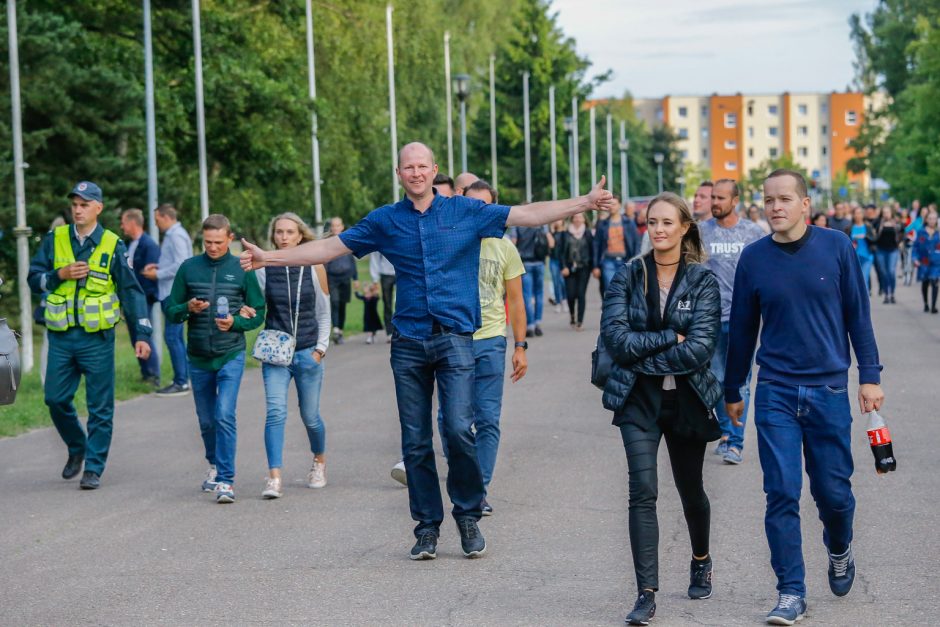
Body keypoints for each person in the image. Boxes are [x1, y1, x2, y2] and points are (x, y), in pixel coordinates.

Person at [239, 141, 617, 560]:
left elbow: (527, 215)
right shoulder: (386, 220)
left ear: (434, 169)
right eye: (408, 167)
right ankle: (426, 528)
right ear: (399, 173)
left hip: (456, 338)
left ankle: (468, 514)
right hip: (409, 343)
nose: (416, 173)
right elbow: (330, 248)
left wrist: (583, 201)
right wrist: (269, 257)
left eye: (422, 166)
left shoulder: (465, 211)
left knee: (458, 429)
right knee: (416, 441)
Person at [724, 169, 884, 625]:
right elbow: (742, 329)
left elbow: (858, 314)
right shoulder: (754, 258)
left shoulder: (836, 247)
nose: (775, 207)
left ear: (804, 204)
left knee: (833, 493)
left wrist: (869, 375)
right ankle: (791, 591)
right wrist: (734, 388)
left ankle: (839, 548)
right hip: (774, 390)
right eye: (768, 199)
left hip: (828, 389)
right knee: (780, 492)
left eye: (784, 199)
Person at [601, 192, 722, 626]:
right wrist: (671, 337)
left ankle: (701, 557)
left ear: (685, 226)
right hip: (637, 398)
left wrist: (645, 349)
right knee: (643, 491)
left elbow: (702, 349)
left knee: (691, 489)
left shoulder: (702, 281)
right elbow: (617, 341)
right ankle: (645, 593)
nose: (659, 230)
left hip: (687, 398)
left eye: (668, 223)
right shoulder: (628, 275)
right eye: (652, 222)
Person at [27, 181, 152, 490]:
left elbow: (131, 292)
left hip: (97, 340)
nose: (78, 209)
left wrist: (142, 334)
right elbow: (33, 279)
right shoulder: (55, 239)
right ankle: (77, 446)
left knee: (100, 406)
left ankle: (93, 467)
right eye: (75, 204)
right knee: (54, 398)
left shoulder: (112, 244)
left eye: (84, 204)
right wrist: (59, 275)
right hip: (61, 337)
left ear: (98, 207)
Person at [434, 178, 528, 515]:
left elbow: (515, 301)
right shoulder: (449, 242)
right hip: (453, 340)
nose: (479, 212)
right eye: (472, 204)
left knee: (487, 419)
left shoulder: (504, 247)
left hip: (490, 339)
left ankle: (479, 491)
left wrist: (521, 345)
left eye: (485, 206)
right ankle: (465, 475)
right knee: (450, 419)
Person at [165, 214, 266, 504]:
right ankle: (214, 464)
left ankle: (226, 480)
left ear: (229, 239)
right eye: (208, 242)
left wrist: (235, 322)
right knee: (207, 420)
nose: (212, 247)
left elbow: (259, 311)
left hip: (230, 353)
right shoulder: (189, 268)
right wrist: (188, 307)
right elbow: (171, 310)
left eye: (218, 242)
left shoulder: (241, 268)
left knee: (224, 415)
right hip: (197, 356)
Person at [246, 213, 331, 499]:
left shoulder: (314, 266)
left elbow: (324, 312)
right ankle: (274, 477)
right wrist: (247, 311)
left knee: (310, 416)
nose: (283, 237)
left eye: (289, 232)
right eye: (279, 232)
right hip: (276, 354)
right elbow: (256, 307)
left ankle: (319, 461)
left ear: (300, 236)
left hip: (308, 352)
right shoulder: (262, 269)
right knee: (275, 412)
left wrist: (320, 350)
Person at [699, 179, 766, 465]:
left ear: (735, 200)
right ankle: (726, 434)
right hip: (711, 318)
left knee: (740, 380)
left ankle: (736, 442)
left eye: (720, 198)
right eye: (713, 197)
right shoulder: (702, 232)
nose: (715, 202)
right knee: (715, 377)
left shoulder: (753, 233)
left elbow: (764, 275)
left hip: (743, 319)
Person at [142, 204, 194, 397]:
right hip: (171, 292)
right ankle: (185, 377)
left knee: (172, 337)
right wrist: (159, 265)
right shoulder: (174, 235)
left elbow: (182, 264)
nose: (156, 224)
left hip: (175, 294)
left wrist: (158, 274)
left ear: (165, 217)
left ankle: (181, 382)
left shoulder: (176, 235)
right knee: (176, 337)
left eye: (157, 220)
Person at [119, 208, 161, 386]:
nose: (121, 226)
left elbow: (151, 273)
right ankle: (145, 373)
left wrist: (144, 297)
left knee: (144, 335)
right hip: (130, 300)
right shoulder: (130, 245)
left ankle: (153, 374)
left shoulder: (149, 245)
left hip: (143, 299)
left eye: (123, 222)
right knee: (135, 337)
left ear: (132, 223)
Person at [511, 223, 552, 337]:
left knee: (527, 295)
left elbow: (513, 243)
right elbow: (551, 243)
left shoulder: (517, 225)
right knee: (539, 294)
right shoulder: (542, 224)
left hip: (525, 263)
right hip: (540, 262)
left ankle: (530, 325)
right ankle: (538, 322)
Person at [594, 198, 641, 293]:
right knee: (610, 288)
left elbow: (636, 242)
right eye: (610, 204)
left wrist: (635, 260)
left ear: (619, 205)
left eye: (614, 204)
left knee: (625, 289)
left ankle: (622, 307)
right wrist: (595, 266)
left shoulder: (629, 223)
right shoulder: (603, 224)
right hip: (608, 261)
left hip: (625, 260)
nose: (612, 207)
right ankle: (612, 307)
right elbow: (596, 245)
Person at [557, 213, 594, 330]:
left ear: (584, 219)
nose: (578, 219)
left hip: (584, 267)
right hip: (569, 268)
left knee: (581, 293)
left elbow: (592, 250)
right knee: (571, 294)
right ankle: (572, 315)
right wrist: (563, 267)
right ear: (572, 219)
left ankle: (580, 321)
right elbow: (561, 252)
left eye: (580, 217)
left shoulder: (588, 233)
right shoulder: (565, 233)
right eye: (576, 217)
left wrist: (594, 267)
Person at [324, 217, 358, 344]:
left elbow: (352, 261)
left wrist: (355, 278)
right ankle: (336, 330)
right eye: (333, 226)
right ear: (331, 228)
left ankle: (340, 331)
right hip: (332, 278)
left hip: (346, 277)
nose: (335, 228)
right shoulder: (327, 242)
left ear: (342, 227)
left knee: (342, 304)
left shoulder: (348, 240)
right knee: (335, 302)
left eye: (338, 225)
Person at [873, 206, 903, 304]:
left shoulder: (896, 223)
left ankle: (892, 294)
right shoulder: (878, 223)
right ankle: (886, 294)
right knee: (884, 273)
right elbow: (872, 233)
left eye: (888, 212)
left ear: (891, 213)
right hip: (880, 250)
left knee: (891, 271)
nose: (886, 214)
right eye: (884, 212)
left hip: (893, 250)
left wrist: (901, 242)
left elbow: (903, 231)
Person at [913, 211, 940, 313]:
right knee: (925, 282)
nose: (932, 221)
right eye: (930, 218)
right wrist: (915, 258)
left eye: (934, 218)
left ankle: (933, 306)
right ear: (926, 219)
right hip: (924, 261)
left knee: (934, 281)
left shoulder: (939, 232)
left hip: (936, 262)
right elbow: (915, 247)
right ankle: (926, 303)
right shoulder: (921, 232)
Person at [848, 207, 876, 293]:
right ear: (853, 215)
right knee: (856, 281)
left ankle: (865, 303)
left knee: (864, 278)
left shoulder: (868, 226)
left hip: (867, 256)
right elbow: (846, 242)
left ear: (863, 215)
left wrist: (865, 236)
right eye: (856, 213)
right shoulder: (850, 228)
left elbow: (874, 239)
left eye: (860, 213)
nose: (858, 215)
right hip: (854, 258)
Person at [369, 252, 396, 342]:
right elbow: (375, 257)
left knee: (401, 302)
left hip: (401, 271)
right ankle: (389, 332)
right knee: (387, 304)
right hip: (385, 274)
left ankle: (402, 331)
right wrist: (375, 279)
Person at [548, 220, 568, 313]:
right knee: (555, 282)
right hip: (553, 260)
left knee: (562, 282)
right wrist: (551, 231)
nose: (557, 221)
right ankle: (558, 302)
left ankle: (564, 300)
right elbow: (550, 247)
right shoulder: (552, 233)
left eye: (559, 220)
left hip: (563, 261)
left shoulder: (565, 233)